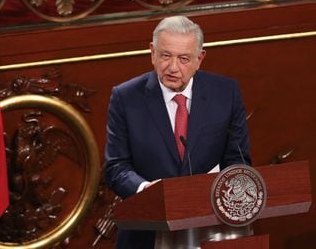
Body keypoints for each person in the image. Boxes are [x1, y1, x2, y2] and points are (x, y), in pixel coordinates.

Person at [104, 15, 251, 249]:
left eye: (184, 59)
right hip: (146, 233)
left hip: (210, 230)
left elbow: (238, 161)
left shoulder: (226, 93)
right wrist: (145, 190)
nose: (173, 67)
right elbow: (116, 167)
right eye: (165, 55)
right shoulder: (125, 97)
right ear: (152, 52)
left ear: (199, 59)